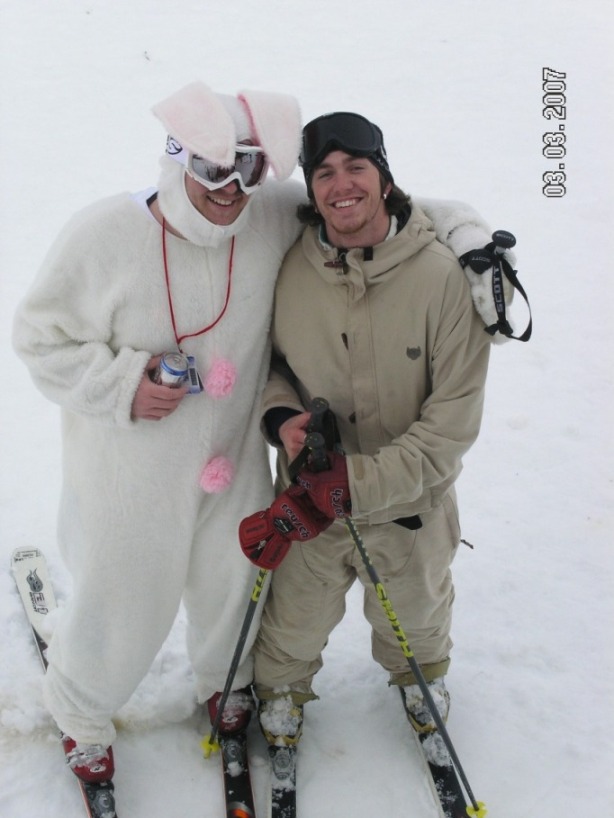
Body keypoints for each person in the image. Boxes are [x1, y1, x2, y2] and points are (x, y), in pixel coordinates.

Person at [11, 80, 307, 783]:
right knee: (126, 603)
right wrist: (122, 385)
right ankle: (80, 709)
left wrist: (471, 236)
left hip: (231, 463)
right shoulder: (104, 235)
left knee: (234, 580)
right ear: (177, 159)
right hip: (130, 477)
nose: (231, 188)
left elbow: (361, 206)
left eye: (248, 168)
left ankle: (224, 680)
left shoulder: (269, 217)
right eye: (211, 168)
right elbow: (38, 340)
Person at [238, 111, 508, 750]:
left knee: (417, 617)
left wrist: (356, 481)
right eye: (323, 173)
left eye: (356, 167)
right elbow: (269, 366)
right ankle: (281, 692)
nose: (341, 186)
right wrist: (282, 420)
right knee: (293, 620)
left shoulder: (443, 278)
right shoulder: (289, 270)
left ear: (383, 177)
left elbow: (450, 426)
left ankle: (421, 680)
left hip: (412, 505)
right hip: (309, 505)